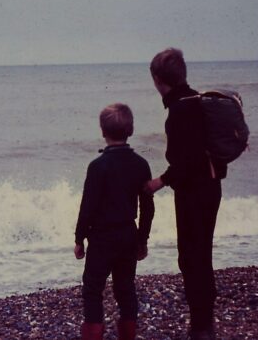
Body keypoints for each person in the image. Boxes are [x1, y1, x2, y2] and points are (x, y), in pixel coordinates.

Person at [145, 48, 222, 340]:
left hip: (193, 193)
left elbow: (184, 162)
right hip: (212, 187)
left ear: (157, 79)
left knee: (191, 257)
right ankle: (204, 322)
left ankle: (201, 327)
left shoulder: (179, 111)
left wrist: (159, 182)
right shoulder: (198, 101)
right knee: (201, 253)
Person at [74, 103, 155, 340]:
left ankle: (94, 334)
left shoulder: (97, 167)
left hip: (101, 238)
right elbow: (147, 208)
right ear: (130, 130)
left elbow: (87, 207)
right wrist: (142, 239)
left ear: (102, 131)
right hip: (128, 234)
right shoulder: (141, 164)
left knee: (92, 289)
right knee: (125, 288)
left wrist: (79, 238)